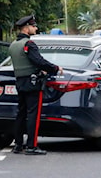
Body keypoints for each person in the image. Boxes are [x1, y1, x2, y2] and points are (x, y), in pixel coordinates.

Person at [9, 15, 63, 155]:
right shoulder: (29, 44)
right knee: (33, 114)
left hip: (20, 82)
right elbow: (38, 61)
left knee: (21, 113)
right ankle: (32, 146)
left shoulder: (13, 45)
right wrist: (55, 68)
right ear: (26, 28)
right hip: (33, 83)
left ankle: (18, 144)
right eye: (33, 26)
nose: (36, 28)